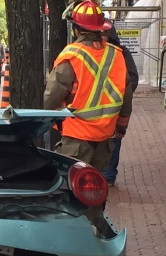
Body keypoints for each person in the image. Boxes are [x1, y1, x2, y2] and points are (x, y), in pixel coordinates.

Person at [44, 0, 133, 172]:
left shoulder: (72, 55)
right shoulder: (116, 55)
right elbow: (126, 97)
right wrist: (121, 127)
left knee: (72, 189)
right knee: (96, 191)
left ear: (76, 29)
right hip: (104, 138)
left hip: (76, 138)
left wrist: (43, 120)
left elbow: (52, 96)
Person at [101, 26, 139, 186]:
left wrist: (119, 95)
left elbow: (132, 77)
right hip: (94, 108)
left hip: (112, 107)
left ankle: (108, 175)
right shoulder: (89, 52)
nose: (101, 38)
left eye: (104, 34)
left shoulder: (120, 53)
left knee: (113, 141)